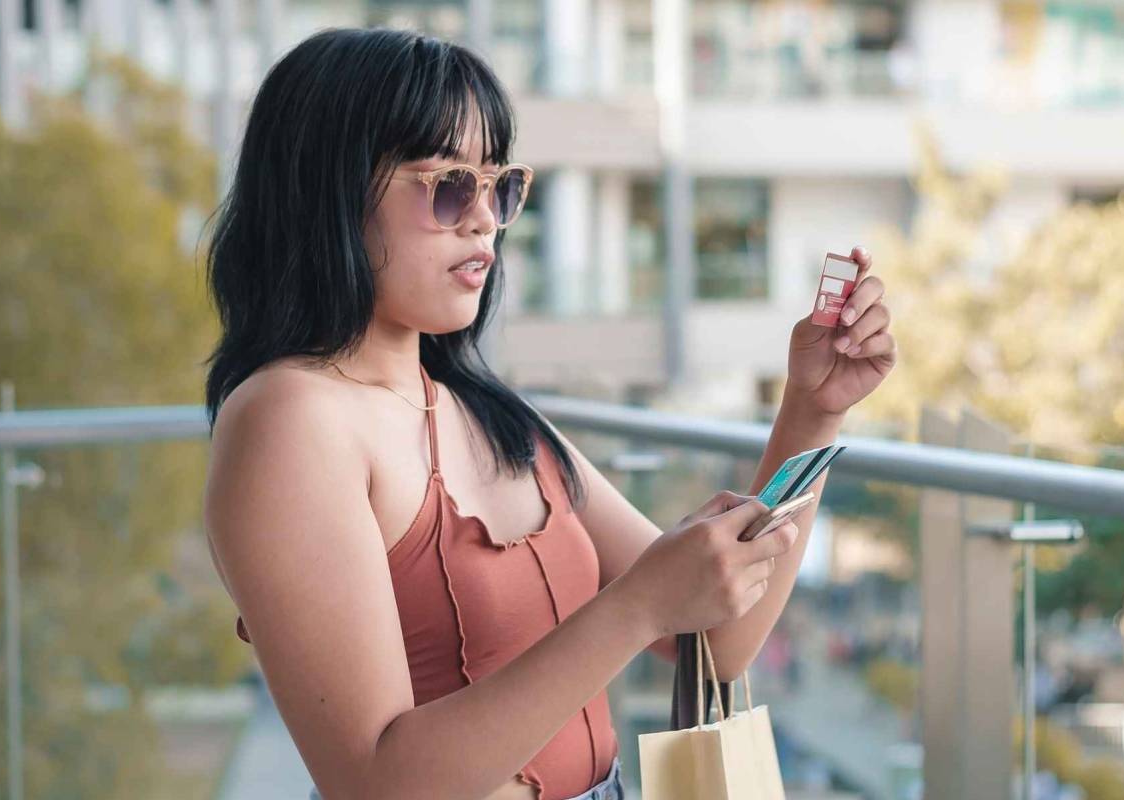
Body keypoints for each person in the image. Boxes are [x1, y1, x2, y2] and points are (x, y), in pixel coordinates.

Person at [199, 27, 895, 800]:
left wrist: (811, 414)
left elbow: (714, 637)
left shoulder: (492, 415)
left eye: (500, 188)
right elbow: (374, 781)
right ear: (330, 190)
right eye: (449, 187)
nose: (485, 220)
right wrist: (632, 608)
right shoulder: (290, 419)